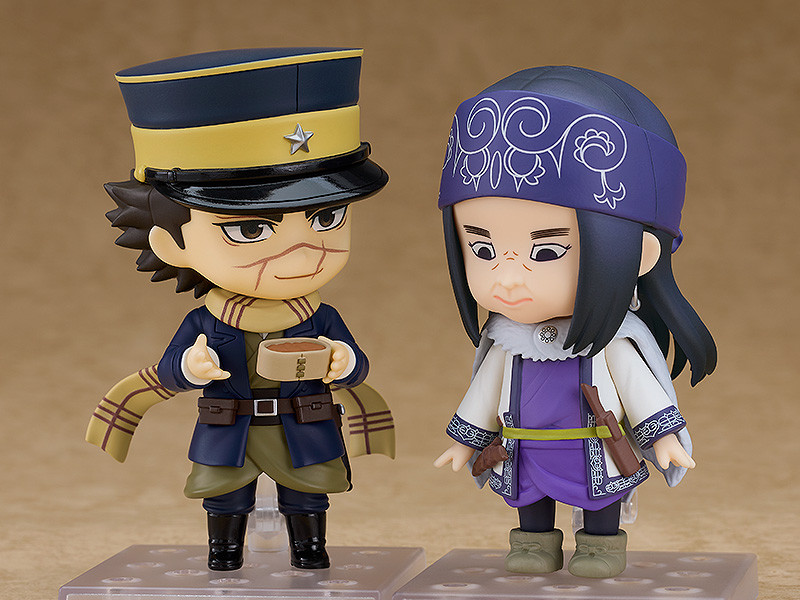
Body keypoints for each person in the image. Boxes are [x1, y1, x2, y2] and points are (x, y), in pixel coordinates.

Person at [86, 48, 390, 571]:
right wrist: (190, 367)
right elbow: (170, 368)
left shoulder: (318, 317)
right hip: (230, 429)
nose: (303, 253)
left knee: (308, 493)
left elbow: (356, 363)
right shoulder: (206, 322)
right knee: (225, 496)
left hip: (304, 425)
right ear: (171, 244)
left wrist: (343, 362)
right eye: (250, 229)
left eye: (327, 218)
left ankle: (309, 548)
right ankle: (223, 551)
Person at [434, 66, 716, 578]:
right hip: (522, 446)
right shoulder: (507, 341)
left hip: (593, 445)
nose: (507, 279)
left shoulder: (612, 344)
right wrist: (465, 440)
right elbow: (485, 392)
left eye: (546, 251)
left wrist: (664, 437)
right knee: (529, 501)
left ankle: (601, 546)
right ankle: (534, 543)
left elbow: (639, 391)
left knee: (599, 498)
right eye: (482, 250)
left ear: (637, 254)